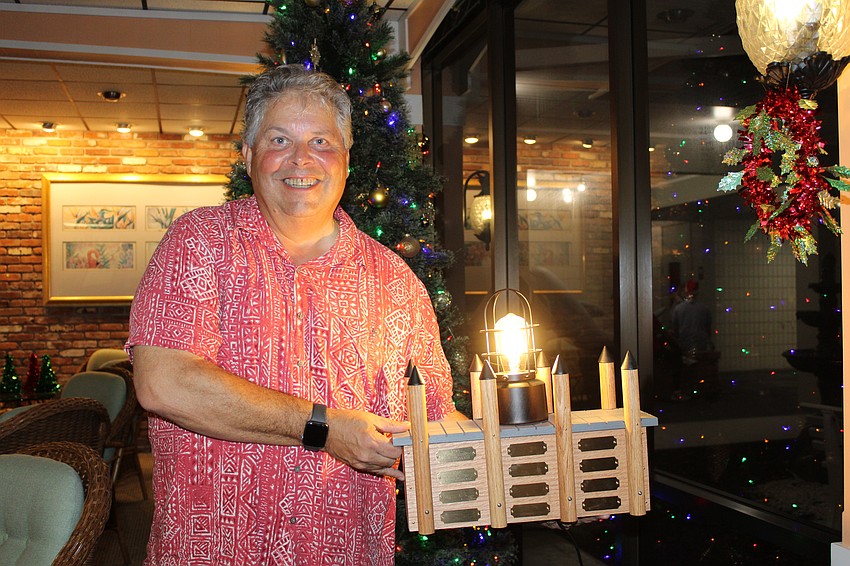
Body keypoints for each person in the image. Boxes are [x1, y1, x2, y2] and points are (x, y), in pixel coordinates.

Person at [126, 65, 460, 565]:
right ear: (248, 156)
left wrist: (530, 465)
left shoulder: (396, 282)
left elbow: (434, 417)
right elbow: (165, 383)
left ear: (347, 160)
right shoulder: (199, 244)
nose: (302, 159)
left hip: (347, 551)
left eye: (322, 142)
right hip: (214, 551)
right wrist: (325, 428)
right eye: (279, 139)